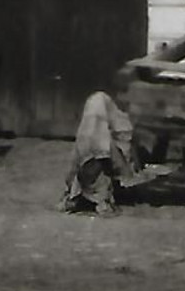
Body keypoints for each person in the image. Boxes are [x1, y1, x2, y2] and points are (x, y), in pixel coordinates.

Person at [59, 74, 140, 216]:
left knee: (98, 151)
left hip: (96, 164)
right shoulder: (96, 133)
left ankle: (88, 195)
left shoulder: (106, 121)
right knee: (97, 155)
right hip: (94, 169)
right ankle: (96, 197)